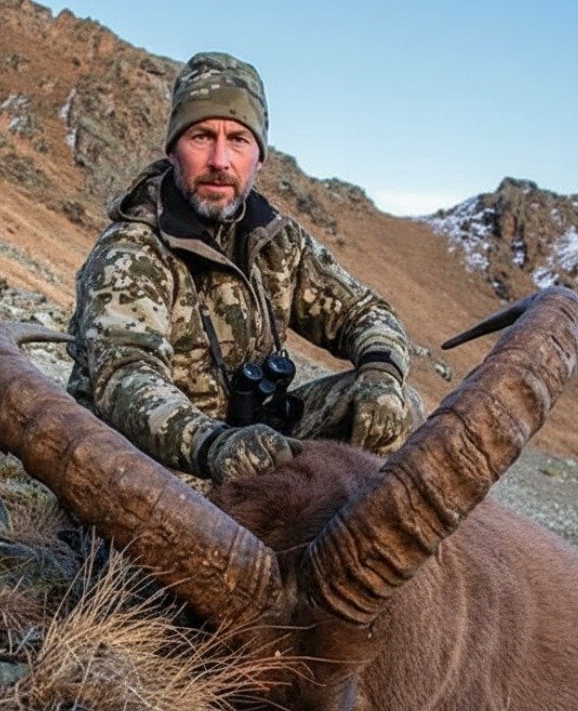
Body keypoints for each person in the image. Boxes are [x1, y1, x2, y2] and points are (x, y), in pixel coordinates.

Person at [67, 51, 423, 483]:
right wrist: (213, 444)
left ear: (258, 158)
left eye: (238, 139)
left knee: (393, 404)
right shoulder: (132, 251)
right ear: (174, 149)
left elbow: (362, 311)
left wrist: (382, 372)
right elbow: (125, 378)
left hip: (254, 443)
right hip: (161, 460)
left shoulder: (276, 240)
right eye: (201, 136)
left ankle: (361, 537)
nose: (220, 160)